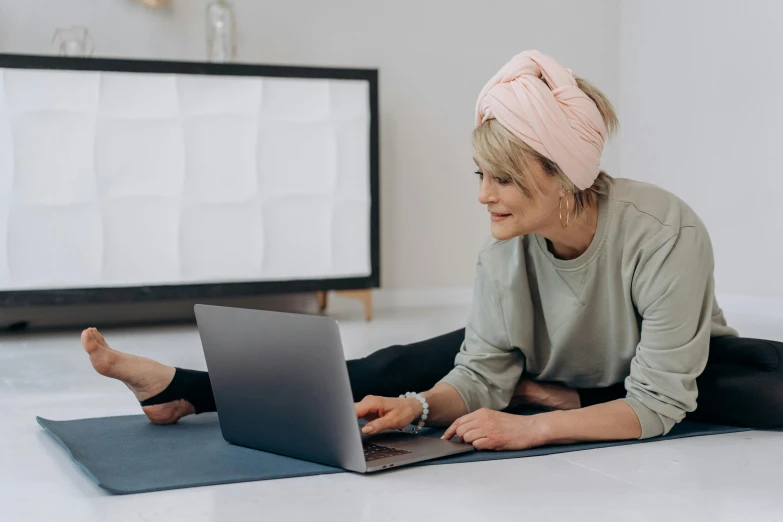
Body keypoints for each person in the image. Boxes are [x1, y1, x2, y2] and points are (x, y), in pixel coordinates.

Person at [81, 50, 783, 451]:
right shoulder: (503, 254)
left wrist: (535, 430)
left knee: (750, 389)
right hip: (546, 363)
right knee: (388, 369)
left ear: (561, 173)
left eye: (504, 178)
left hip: (670, 365)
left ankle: (578, 397)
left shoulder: (663, 233)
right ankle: (182, 390)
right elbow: (478, 377)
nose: (484, 196)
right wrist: (417, 407)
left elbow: (659, 404)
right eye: (481, 176)